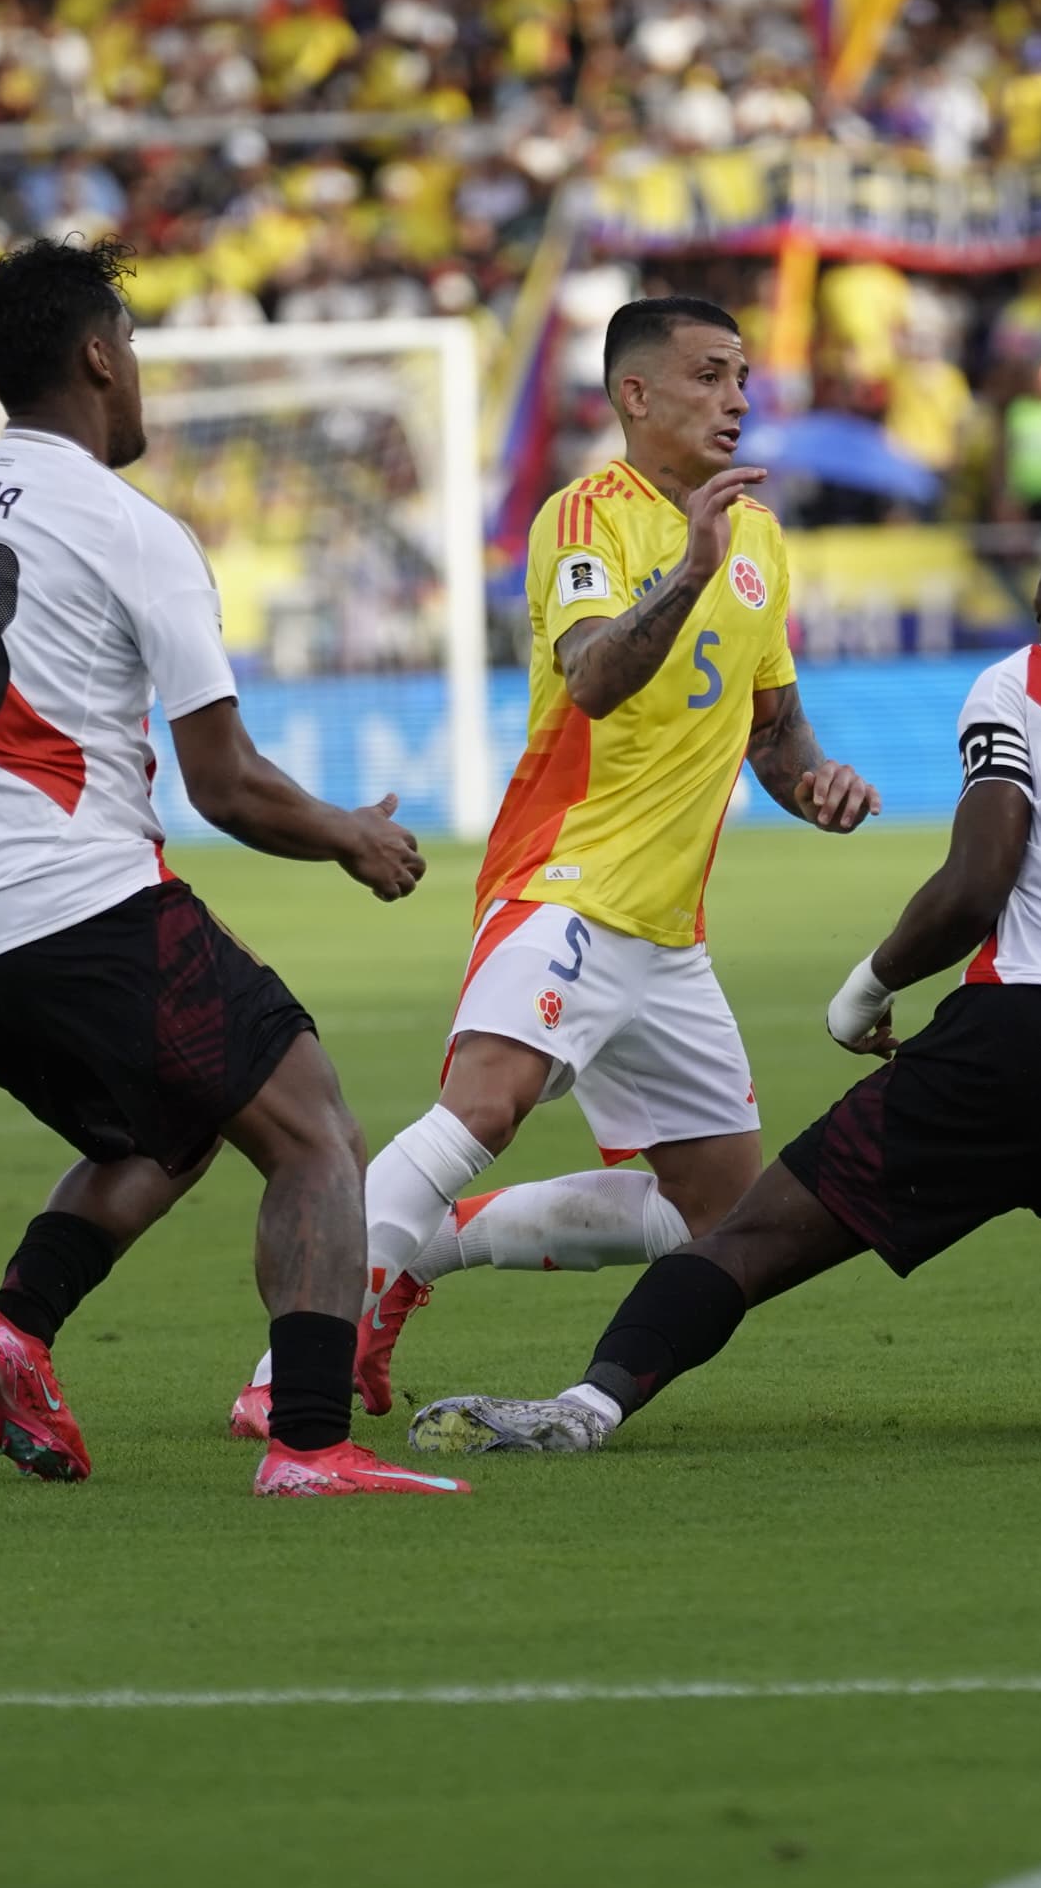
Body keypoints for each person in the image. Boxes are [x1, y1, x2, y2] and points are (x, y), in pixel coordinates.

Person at [0, 241, 463, 1499]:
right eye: (131, 346)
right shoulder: (128, 529)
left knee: (184, 1115)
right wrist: (352, 835)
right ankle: (311, 1444)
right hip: (82, 907)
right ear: (97, 355)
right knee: (315, 1134)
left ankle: (16, 1329)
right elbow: (227, 783)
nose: (136, 372)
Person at [408, 513, 1041, 1458]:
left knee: (746, 1239)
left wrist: (868, 986)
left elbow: (978, 878)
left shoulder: (1024, 679)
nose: (1039, 610)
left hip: (1017, 1039)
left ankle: (587, 1406)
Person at [310, 295, 882, 1437]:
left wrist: (818, 781)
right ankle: (293, 1376)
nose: (736, 397)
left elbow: (774, 730)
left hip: (668, 931)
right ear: (635, 394)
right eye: (710, 375)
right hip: (562, 878)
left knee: (717, 1214)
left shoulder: (757, 537)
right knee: (484, 1104)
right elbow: (592, 677)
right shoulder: (584, 518)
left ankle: (427, 1249)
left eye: (741, 375)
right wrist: (689, 565)